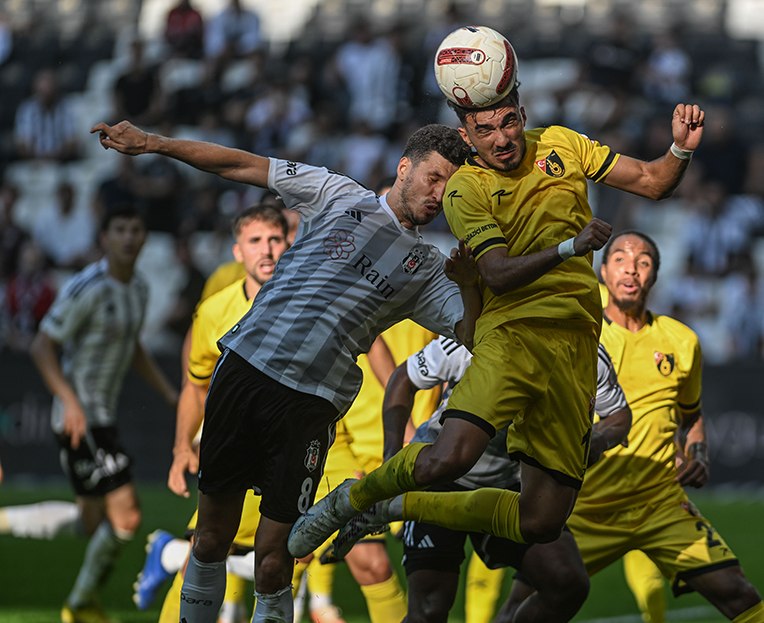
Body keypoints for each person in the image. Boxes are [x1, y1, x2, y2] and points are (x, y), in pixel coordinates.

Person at [293, 72, 704, 597]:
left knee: (541, 523)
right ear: (467, 137)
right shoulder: (467, 187)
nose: (501, 137)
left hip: (576, 348)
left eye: (509, 121)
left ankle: (395, 505)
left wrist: (679, 150)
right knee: (450, 457)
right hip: (511, 334)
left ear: (523, 117)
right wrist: (569, 249)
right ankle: (354, 500)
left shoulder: (564, 145)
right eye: (485, 129)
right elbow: (497, 274)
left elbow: (652, 180)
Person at [89, 118, 482, 623]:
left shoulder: (430, 267)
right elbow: (241, 163)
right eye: (434, 177)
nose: (440, 193)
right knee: (210, 538)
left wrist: (471, 284)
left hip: (310, 405)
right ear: (404, 167)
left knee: (277, 561)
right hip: (246, 371)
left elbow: (472, 334)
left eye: (451, 187)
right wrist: (152, 143)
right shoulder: (338, 192)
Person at [497, 231, 764, 623]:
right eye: (621, 260)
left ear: (655, 275)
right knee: (520, 607)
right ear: (603, 272)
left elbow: (691, 414)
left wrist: (698, 451)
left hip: (658, 503)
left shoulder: (682, 341)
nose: (632, 268)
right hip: (581, 509)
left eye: (643, 261)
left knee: (737, 592)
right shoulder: (577, 332)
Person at [374, 335, 632, 623]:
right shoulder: (478, 334)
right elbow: (403, 377)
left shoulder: (587, 352)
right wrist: (391, 461)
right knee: (429, 609)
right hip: (439, 479)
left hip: (510, 486)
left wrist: (595, 443)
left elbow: (619, 415)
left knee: (566, 583)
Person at [131, 204, 289, 621]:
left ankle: (169, 554)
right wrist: (183, 445)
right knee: (216, 547)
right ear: (237, 251)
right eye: (255, 241)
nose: (267, 250)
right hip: (234, 444)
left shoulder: (306, 302)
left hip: (293, 443)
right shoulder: (214, 310)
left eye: (274, 239)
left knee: (279, 555)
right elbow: (195, 385)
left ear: (288, 243)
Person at [26, 205, 178, 623]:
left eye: (136, 229)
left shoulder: (140, 289)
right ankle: (79, 604)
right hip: (80, 416)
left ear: (145, 237)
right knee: (127, 514)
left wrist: (167, 392)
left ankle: (11, 527)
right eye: (120, 230)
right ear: (104, 238)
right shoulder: (86, 286)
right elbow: (42, 346)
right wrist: (70, 401)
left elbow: (132, 346)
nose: (129, 237)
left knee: (92, 523)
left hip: (102, 416)